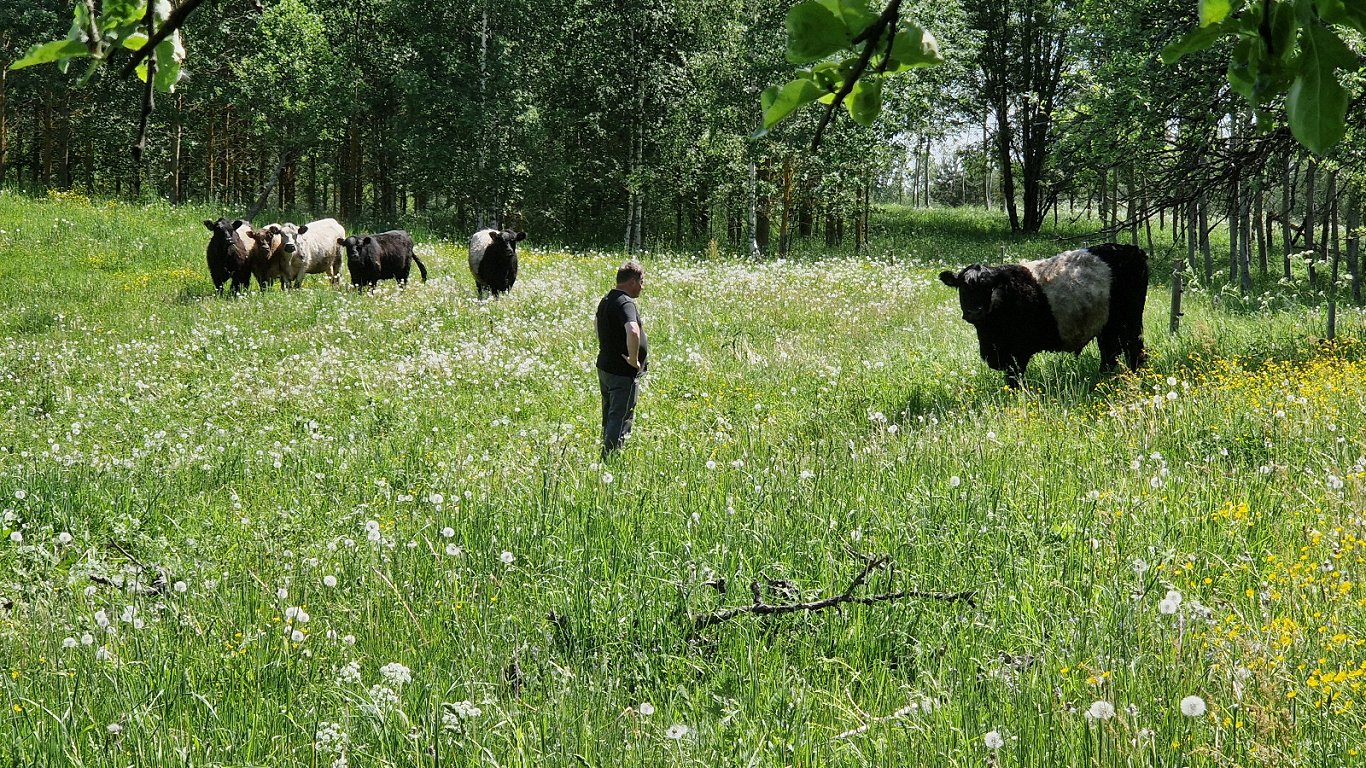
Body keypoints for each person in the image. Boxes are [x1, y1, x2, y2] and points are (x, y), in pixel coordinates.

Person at [595, 260, 648, 456]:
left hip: (606, 366)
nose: (642, 287)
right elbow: (633, 331)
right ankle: (611, 458)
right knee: (621, 415)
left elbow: (596, 323)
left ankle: (606, 450)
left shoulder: (607, 299)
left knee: (609, 413)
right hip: (621, 372)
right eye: (641, 282)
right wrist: (634, 360)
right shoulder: (626, 303)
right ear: (633, 281)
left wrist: (607, 347)